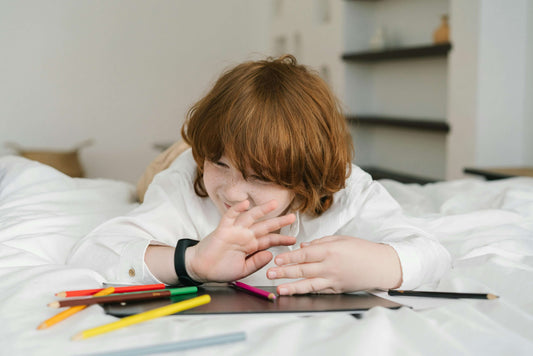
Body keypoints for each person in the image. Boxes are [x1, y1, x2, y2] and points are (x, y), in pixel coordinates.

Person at [68, 55, 450, 295]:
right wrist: (192, 261)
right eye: (221, 163)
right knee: (156, 175)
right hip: (177, 160)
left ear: (305, 176)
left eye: (261, 176)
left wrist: (378, 265)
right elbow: (94, 251)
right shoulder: (189, 180)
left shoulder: (349, 189)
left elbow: (432, 254)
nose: (234, 193)